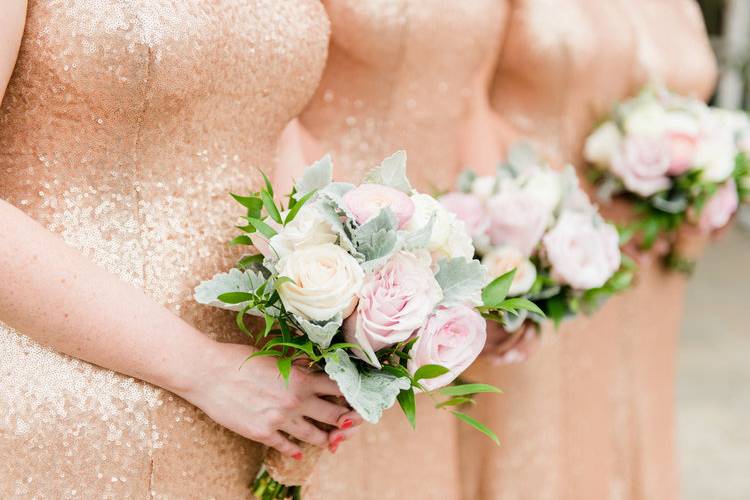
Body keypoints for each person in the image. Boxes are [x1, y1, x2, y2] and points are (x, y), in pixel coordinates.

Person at [0, 2, 360, 497]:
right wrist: (204, 369)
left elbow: (272, 129)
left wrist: (352, 298)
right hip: (70, 396)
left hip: (263, 399)